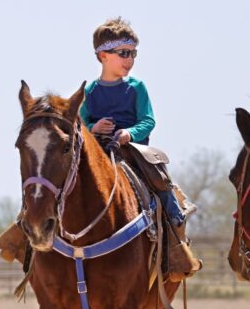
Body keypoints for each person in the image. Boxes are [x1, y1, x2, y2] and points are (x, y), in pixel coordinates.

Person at [80, 17, 200, 279]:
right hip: (98, 151)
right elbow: (80, 123)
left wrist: (129, 133)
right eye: (123, 53)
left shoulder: (136, 87)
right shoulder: (89, 91)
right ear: (103, 55)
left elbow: (148, 120)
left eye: (133, 53)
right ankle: (31, 236)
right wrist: (93, 127)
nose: (130, 59)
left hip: (132, 151)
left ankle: (175, 232)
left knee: (159, 181)